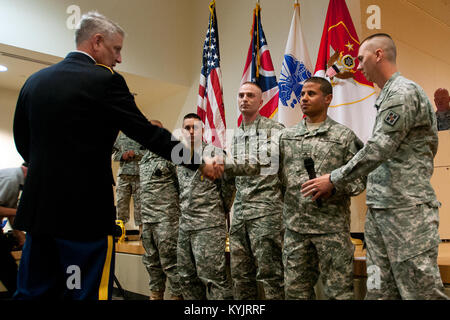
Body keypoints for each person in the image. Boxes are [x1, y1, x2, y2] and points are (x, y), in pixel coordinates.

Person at [12, 11, 217, 300]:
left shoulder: (35, 81)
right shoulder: (104, 80)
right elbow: (147, 133)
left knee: (34, 292)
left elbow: (24, 144)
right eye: (116, 49)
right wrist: (197, 162)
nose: (119, 58)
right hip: (83, 217)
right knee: (82, 291)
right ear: (96, 41)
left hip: (38, 215)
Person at [301, 33, 448, 300]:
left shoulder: (402, 93)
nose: (357, 66)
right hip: (381, 210)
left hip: (406, 211)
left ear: (378, 55)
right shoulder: (385, 96)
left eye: (361, 58)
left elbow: (379, 149)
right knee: (379, 290)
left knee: (420, 292)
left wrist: (333, 178)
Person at [280, 77, 366, 299]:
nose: (304, 98)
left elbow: (361, 179)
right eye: (302, 94)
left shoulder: (343, 137)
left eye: (311, 94)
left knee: (339, 294)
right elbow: (279, 181)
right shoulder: (286, 137)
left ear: (328, 99)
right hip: (295, 231)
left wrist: (334, 186)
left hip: (331, 231)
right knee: (295, 293)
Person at [229, 82, 285, 300]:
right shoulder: (235, 136)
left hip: (266, 213)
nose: (245, 99)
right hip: (240, 214)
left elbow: (262, 162)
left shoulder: (275, 130)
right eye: (241, 95)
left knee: (271, 274)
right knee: (241, 275)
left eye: (250, 96)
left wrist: (219, 162)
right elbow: (231, 181)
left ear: (261, 102)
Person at [176, 113, 234, 300]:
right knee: (186, 278)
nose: (192, 131)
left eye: (196, 128)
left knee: (213, 278)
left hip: (208, 225)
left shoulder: (216, 154)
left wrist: (219, 210)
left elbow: (228, 186)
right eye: (187, 128)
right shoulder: (179, 157)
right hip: (185, 226)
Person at [139, 120, 182, 300]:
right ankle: (155, 296)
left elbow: (182, 186)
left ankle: (177, 297)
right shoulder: (143, 159)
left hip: (167, 220)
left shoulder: (173, 155)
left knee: (171, 265)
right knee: (152, 264)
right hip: (147, 221)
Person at [0, 164, 27, 298]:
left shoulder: (16, 180)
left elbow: (10, 213)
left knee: (8, 269)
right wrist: (20, 212)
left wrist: (21, 236)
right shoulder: (12, 179)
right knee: (7, 269)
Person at [112, 132, 144, 230]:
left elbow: (149, 153)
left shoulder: (143, 136)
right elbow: (113, 155)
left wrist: (136, 154)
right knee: (121, 205)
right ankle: (121, 232)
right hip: (123, 177)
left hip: (139, 176)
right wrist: (122, 156)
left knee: (140, 206)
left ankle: (142, 234)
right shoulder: (120, 137)